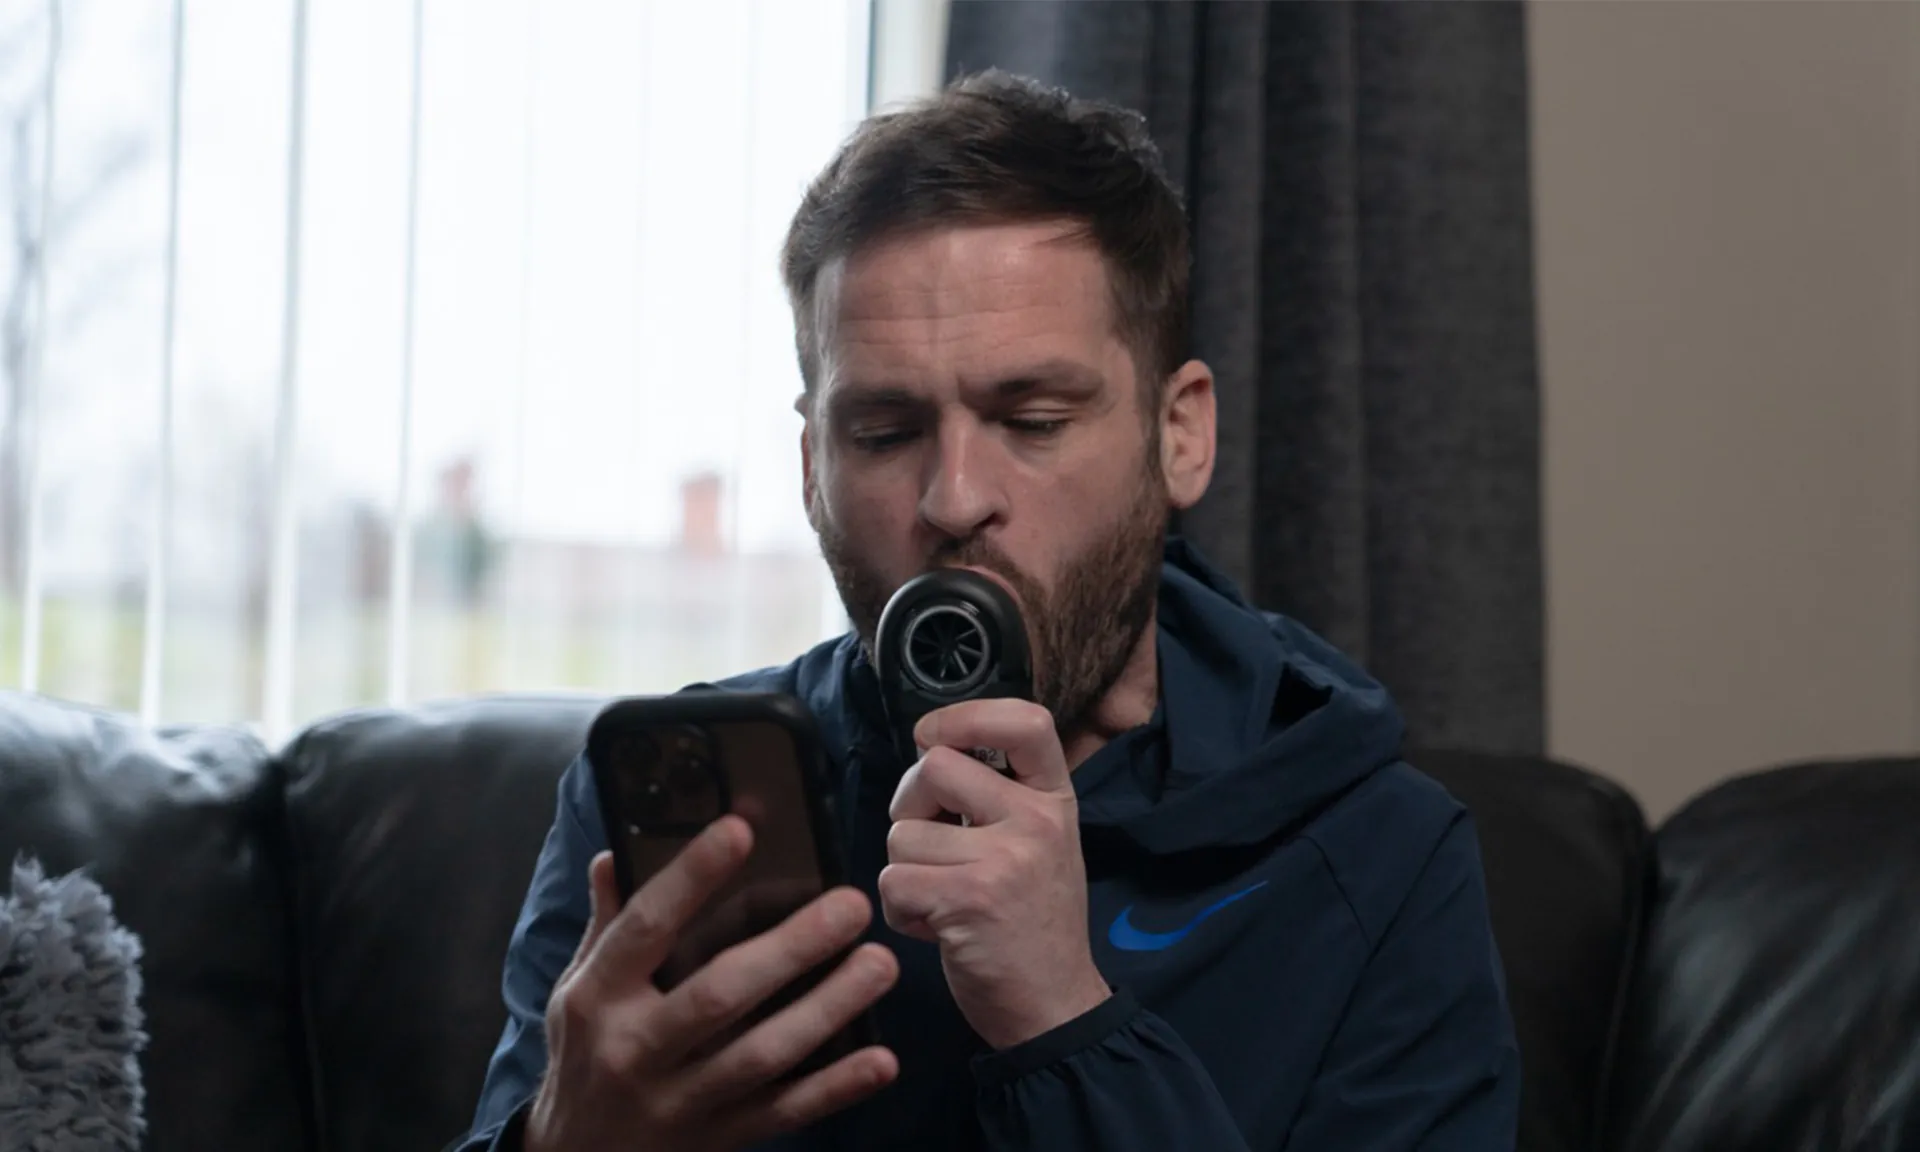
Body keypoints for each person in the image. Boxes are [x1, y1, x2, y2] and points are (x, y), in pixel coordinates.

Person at [457, 71, 1521, 1152]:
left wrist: (1063, 1017)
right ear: (813, 467)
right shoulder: (677, 808)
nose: (955, 498)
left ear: (1180, 435)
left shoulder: (1382, 857)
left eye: (1035, 418)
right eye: (882, 433)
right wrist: (564, 1139)